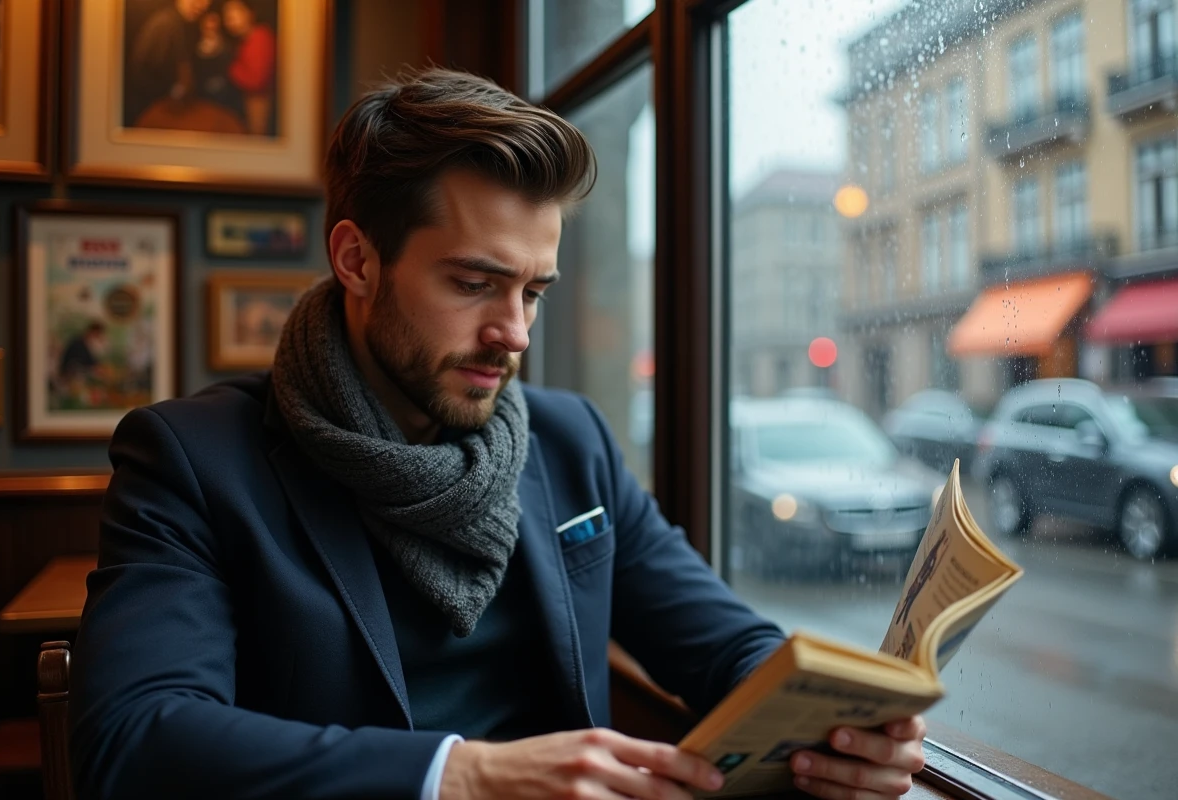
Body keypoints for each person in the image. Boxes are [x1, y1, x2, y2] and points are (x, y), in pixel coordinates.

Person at [70, 68, 927, 800]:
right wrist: (465, 776)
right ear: (357, 260)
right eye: (474, 283)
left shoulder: (571, 440)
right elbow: (133, 739)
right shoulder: (191, 458)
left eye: (533, 292)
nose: (513, 332)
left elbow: (724, 641)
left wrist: (839, 727)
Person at [127, 0, 211, 126]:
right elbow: (145, 69)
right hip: (150, 108)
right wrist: (174, 90)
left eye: (205, 3)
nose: (201, 5)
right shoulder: (165, 23)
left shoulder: (181, 24)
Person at [222, 0, 276, 136]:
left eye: (236, 10)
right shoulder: (245, 41)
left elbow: (256, 81)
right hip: (250, 102)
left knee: (257, 136)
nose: (230, 17)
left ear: (250, 14)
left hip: (259, 102)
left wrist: (230, 68)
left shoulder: (260, 37)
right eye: (226, 13)